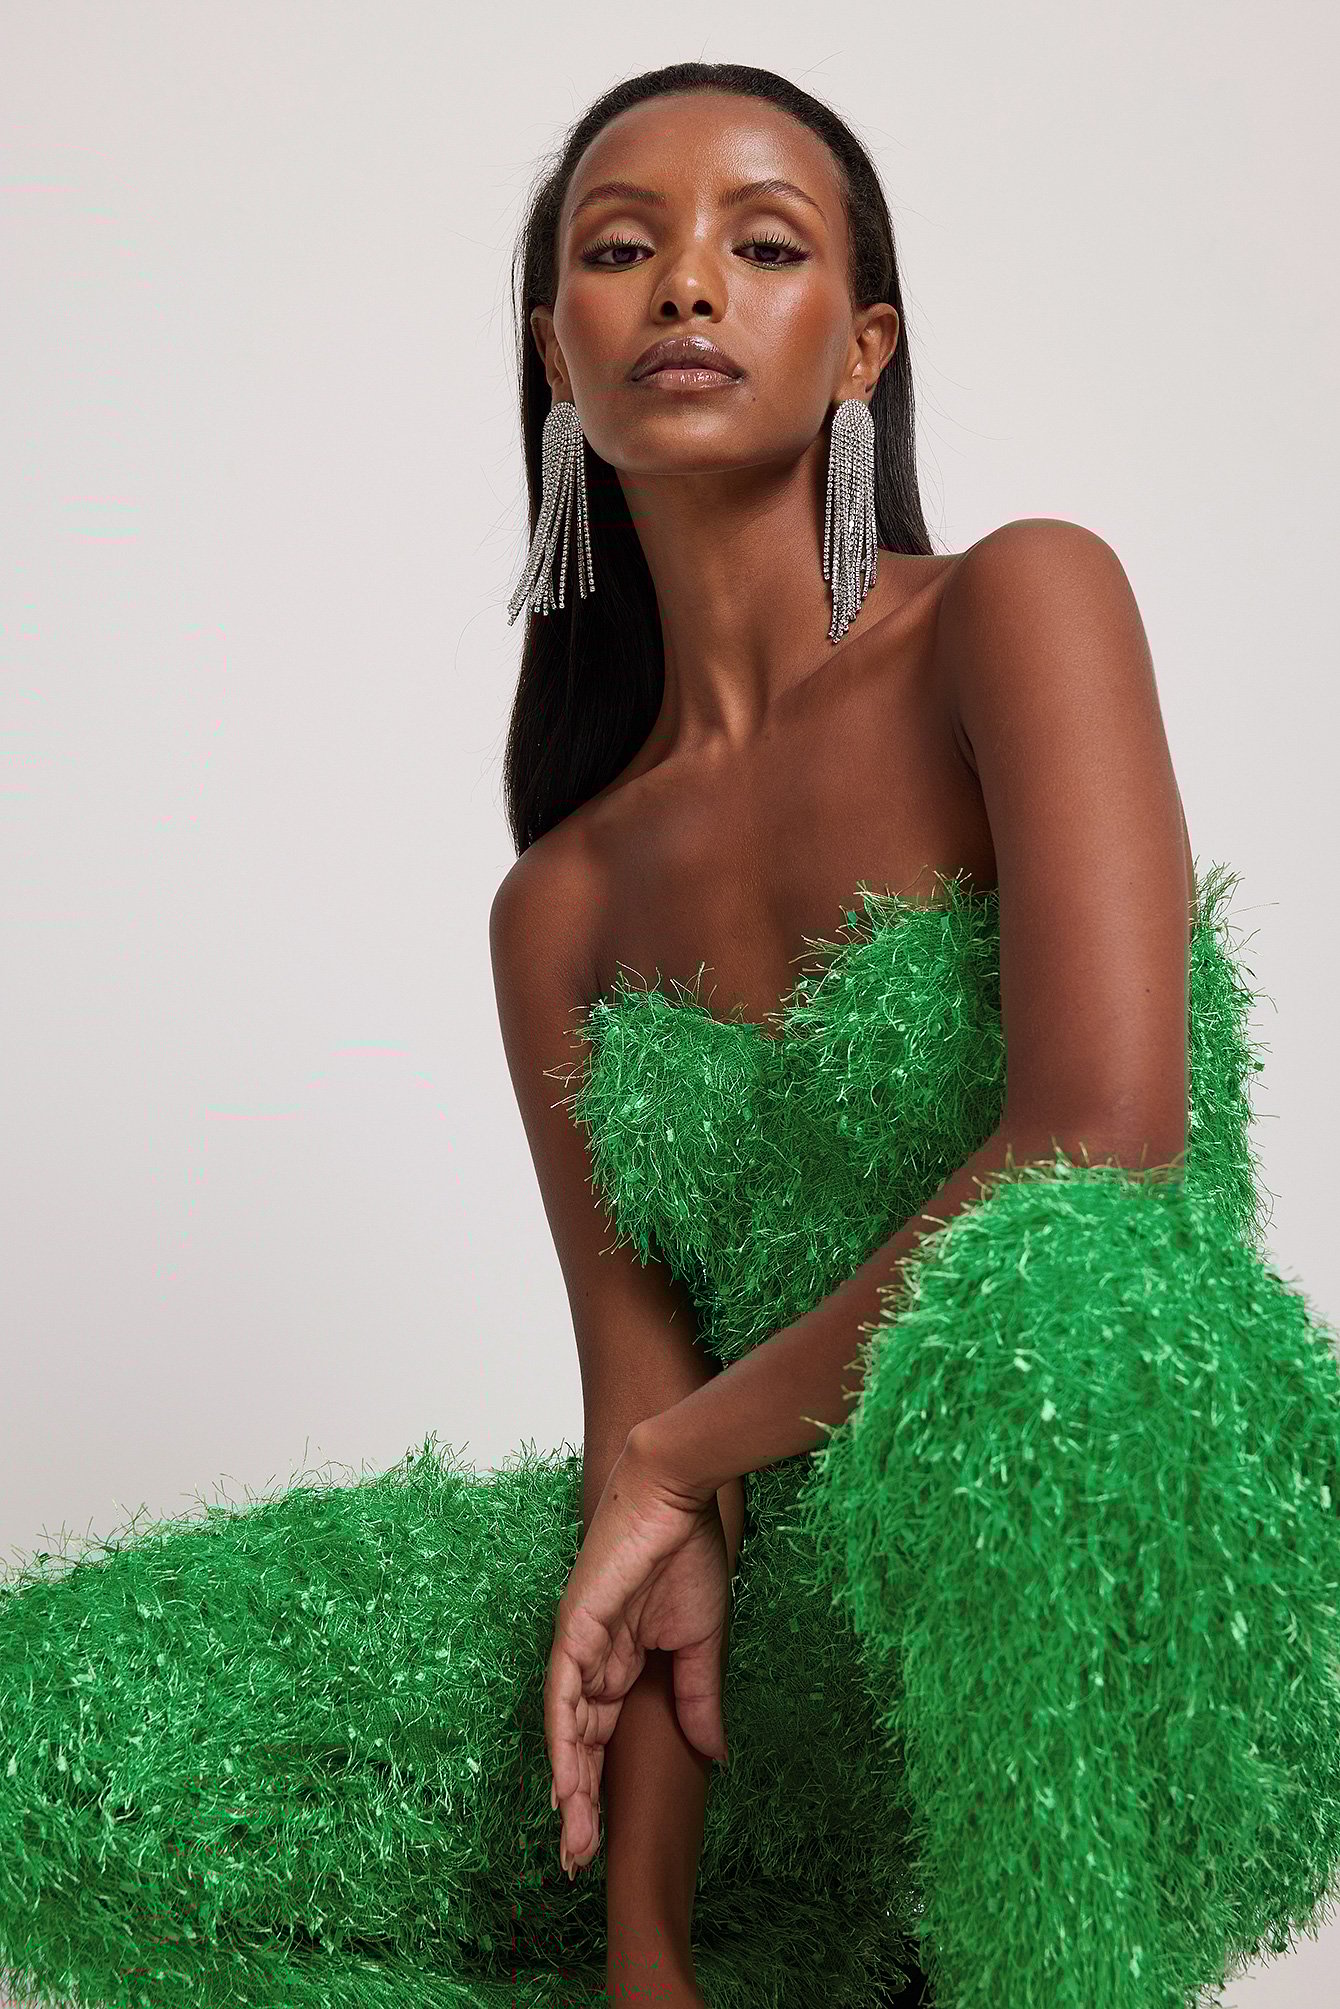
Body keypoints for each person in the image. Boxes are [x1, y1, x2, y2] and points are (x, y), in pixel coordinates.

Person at [2, 59, 1337, 2009]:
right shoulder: (560, 906)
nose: (689, 283)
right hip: (798, 1670)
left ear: (863, 346)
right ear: (560, 351)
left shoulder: (1019, 607)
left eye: (764, 245)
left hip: (1152, 1573)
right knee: (50, 1732)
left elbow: (1103, 1139)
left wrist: (681, 1450)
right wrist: (645, 1941)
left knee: (1042, 1303)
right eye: (623, 250)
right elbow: (646, 1474)